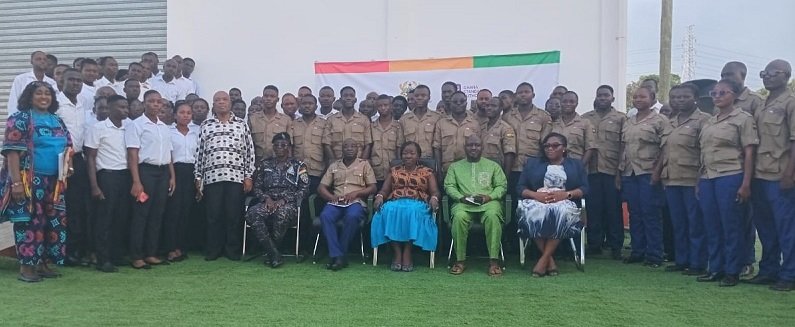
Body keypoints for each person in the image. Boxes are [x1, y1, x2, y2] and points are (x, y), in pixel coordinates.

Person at [1, 81, 72, 282]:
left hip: (55, 183)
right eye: (39, 93)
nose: (44, 97)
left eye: (47, 94)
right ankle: (26, 267)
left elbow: (68, 147)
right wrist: (16, 183)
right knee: (30, 223)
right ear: (29, 97)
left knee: (52, 223)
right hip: (29, 181)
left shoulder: (57, 120)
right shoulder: (20, 119)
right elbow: (12, 152)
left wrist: (69, 166)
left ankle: (42, 264)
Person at [697, 78, 758, 287]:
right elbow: (703, 153)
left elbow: (749, 153)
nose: (717, 97)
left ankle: (732, 271)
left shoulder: (743, 119)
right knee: (711, 225)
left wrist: (746, 183)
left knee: (731, 225)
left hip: (731, 175)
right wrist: (699, 180)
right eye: (714, 93)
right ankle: (715, 268)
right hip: (708, 177)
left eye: (723, 93)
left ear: (735, 95)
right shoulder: (709, 121)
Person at [656, 83, 711, 275]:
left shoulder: (704, 120)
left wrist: (700, 179)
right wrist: (658, 173)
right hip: (671, 179)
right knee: (678, 223)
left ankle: (697, 263)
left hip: (692, 179)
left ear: (695, 98)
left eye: (684, 97)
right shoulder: (670, 121)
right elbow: (665, 150)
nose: (679, 100)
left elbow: (706, 151)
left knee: (695, 223)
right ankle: (682, 260)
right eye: (675, 97)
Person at [750, 60, 795, 291]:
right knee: (765, 228)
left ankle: (790, 275)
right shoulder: (762, 103)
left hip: (780, 175)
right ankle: (768, 270)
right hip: (759, 174)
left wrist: (790, 173)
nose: (766, 77)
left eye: (771, 73)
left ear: (786, 75)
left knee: (786, 228)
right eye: (763, 73)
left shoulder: (790, 103)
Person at [516, 133, 588, 277]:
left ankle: (543, 260)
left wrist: (566, 194)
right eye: (547, 146)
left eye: (555, 145)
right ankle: (550, 261)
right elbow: (520, 187)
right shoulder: (533, 164)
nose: (550, 148)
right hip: (537, 199)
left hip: (564, 200)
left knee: (561, 214)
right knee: (533, 214)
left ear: (564, 148)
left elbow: (585, 188)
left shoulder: (576, 164)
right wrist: (536, 195)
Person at [194, 91, 254, 261]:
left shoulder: (241, 124)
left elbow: (249, 152)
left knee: (233, 215)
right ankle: (214, 250)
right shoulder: (206, 125)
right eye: (217, 100)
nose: (221, 102)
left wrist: (248, 175)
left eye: (224, 99)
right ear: (213, 104)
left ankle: (232, 250)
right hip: (212, 178)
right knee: (213, 215)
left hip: (235, 178)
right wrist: (198, 177)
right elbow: (200, 153)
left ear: (230, 103)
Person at [722, 61, 765, 277]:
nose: (727, 77)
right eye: (723, 74)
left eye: (731, 74)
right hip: (725, 170)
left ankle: (747, 261)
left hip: (746, 169)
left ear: (744, 75)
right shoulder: (721, 98)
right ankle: (730, 261)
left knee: (746, 220)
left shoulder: (755, 102)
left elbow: (759, 139)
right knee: (731, 219)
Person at [125, 90, 176, 269]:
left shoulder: (164, 127)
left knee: (157, 214)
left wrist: (172, 176)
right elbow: (133, 154)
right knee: (141, 214)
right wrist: (136, 181)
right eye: (151, 101)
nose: (155, 104)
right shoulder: (137, 125)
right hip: (145, 172)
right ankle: (136, 255)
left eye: (158, 102)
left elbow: (169, 154)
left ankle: (150, 253)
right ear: (144, 103)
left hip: (163, 173)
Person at [371, 141, 440, 272]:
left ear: (418, 156)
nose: (408, 156)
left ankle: (408, 251)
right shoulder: (394, 171)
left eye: (412, 153)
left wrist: (434, 198)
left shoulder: (427, 172)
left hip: (417, 203)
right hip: (396, 201)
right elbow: (385, 190)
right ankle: (397, 252)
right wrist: (380, 196)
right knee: (388, 210)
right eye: (405, 153)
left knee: (412, 211)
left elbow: (435, 191)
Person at [619, 86, 668, 267]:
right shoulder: (629, 121)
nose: (638, 99)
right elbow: (623, 148)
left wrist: (657, 172)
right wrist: (619, 172)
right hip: (629, 172)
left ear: (652, 98)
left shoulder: (660, 120)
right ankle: (637, 251)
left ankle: (654, 254)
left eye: (642, 96)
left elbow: (665, 147)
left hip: (648, 172)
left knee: (651, 213)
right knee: (635, 213)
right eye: (635, 97)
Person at [445, 135, 507, 276]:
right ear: (465, 147)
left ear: (482, 147)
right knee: (459, 217)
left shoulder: (493, 166)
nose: (473, 148)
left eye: (477, 145)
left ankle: (493, 261)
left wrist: (489, 197)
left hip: (488, 203)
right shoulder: (455, 167)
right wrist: (461, 197)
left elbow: (501, 186)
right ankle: (460, 260)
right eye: (470, 145)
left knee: (492, 216)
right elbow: (449, 186)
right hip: (463, 203)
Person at [245, 133, 309, 268]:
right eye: (277, 145)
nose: (280, 148)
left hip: (288, 204)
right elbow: (257, 188)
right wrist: (266, 198)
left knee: (281, 215)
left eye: (283, 145)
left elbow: (304, 190)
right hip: (267, 202)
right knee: (252, 213)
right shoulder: (265, 164)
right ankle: (274, 253)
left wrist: (284, 200)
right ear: (273, 147)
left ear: (289, 147)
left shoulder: (299, 165)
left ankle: (271, 252)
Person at [85, 95, 130, 273]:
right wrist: (95, 186)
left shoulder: (130, 127)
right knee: (105, 219)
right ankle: (102, 259)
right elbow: (90, 158)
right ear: (110, 108)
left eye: (126, 107)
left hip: (125, 176)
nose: (125, 110)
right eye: (121, 107)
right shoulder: (98, 128)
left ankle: (116, 254)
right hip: (107, 176)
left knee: (121, 218)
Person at [317, 139, 377, 271]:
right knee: (325, 216)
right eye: (346, 146)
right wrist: (331, 197)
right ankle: (338, 255)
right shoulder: (334, 165)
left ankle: (339, 255)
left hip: (355, 202)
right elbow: (321, 187)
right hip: (336, 202)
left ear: (358, 149)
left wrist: (356, 193)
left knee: (352, 216)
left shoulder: (364, 164)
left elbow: (373, 187)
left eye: (353, 146)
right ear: (341, 150)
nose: (349, 149)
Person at [55, 68, 93, 266]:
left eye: (79, 81)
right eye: (72, 80)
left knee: (79, 206)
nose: (76, 84)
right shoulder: (56, 105)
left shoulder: (83, 104)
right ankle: (63, 252)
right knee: (63, 206)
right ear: (62, 80)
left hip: (79, 159)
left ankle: (76, 250)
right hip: (60, 160)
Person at [163, 101, 199, 262]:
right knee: (173, 212)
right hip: (174, 172)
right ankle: (170, 248)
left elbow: (200, 155)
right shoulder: (168, 131)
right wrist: (172, 177)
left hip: (191, 172)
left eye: (188, 113)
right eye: (182, 112)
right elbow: (168, 156)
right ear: (175, 114)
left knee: (186, 211)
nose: (185, 115)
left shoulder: (196, 132)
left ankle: (181, 247)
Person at [433, 91, 481, 175]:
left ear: (466, 103)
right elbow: (437, 148)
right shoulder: (441, 123)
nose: (458, 104)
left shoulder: (475, 123)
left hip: (468, 168)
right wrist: (439, 171)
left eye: (462, 101)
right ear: (450, 104)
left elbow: (479, 147)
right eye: (455, 102)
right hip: (447, 169)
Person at [322, 86, 373, 162]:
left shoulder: (364, 120)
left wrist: (361, 163)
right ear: (340, 99)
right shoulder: (331, 120)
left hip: (358, 163)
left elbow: (368, 144)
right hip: (337, 162)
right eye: (345, 96)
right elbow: (327, 144)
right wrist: (333, 161)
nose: (348, 98)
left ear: (355, 100)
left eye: (351, 96)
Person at [7, 51, 58, 117]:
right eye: (38, 59)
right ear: (31, 61)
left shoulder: (52, 82)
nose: (42, 61)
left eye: (44, 59)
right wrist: (12, 120)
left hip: (46, 120)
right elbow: (13, 102)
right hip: (25, 120)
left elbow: (55, 104)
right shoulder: (21, 79)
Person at [249, 85, 293, 162]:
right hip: (258, 163)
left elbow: (290, 146)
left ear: (277, 99)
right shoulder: (253, 119)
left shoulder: (286, 120)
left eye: (272, 96)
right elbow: (248, 144)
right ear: (262, 98)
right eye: (266, 96)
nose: (268, 99)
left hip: (279, 164)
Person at [552, 91, 596, 164]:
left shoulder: (585, 123)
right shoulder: (553, 123)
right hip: (555, 164)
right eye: (565, 101)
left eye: (572, 102)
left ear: (577, 104)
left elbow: (590, 148)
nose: (568, 104)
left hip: (576, 163)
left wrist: (580, 167)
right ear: (560, 103)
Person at [370, 95, 403, 191]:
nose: (383, 108)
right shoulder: (371, 126)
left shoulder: (398, 126)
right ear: (376, 107)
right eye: (380, 106)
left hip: (393, 170)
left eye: (386, 105)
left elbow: (399, 148)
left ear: (391, 106)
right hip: (376, 172)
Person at [400, 85, 441, 160]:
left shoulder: (437, 118)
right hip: (410, 161)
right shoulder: (404, 119)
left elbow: (438, 146)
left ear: (429, 97)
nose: (419, 98)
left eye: (423, 95)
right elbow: (401, 144)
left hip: (430, 160)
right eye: (416, 96)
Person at [480, 97, 516, 175]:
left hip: (497, 171)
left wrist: (505, 176)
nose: (489, 108)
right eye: (487, 106)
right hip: (481, 170)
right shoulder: (481, 127)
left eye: (493, 106)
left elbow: (509, 154)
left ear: (501, 108)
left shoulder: (506, 128)